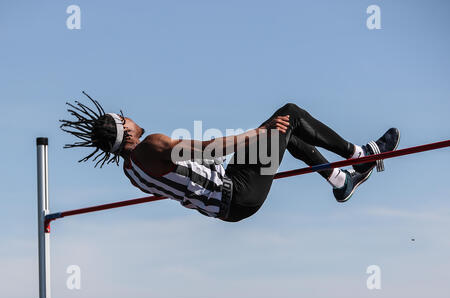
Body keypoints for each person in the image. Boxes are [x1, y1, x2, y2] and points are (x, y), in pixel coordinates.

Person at [60, 92, 400, 222]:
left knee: (286, 131)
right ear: (126, 129)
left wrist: (264, 135)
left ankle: (342, 181)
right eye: (126, 116)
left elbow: (190, 173)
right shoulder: (150, 146)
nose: (131, 116)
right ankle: (360, 156)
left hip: (229, 200)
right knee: (290, 113)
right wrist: (257, 133)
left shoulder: (130, 171)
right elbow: (210, 150)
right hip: (238, 193)